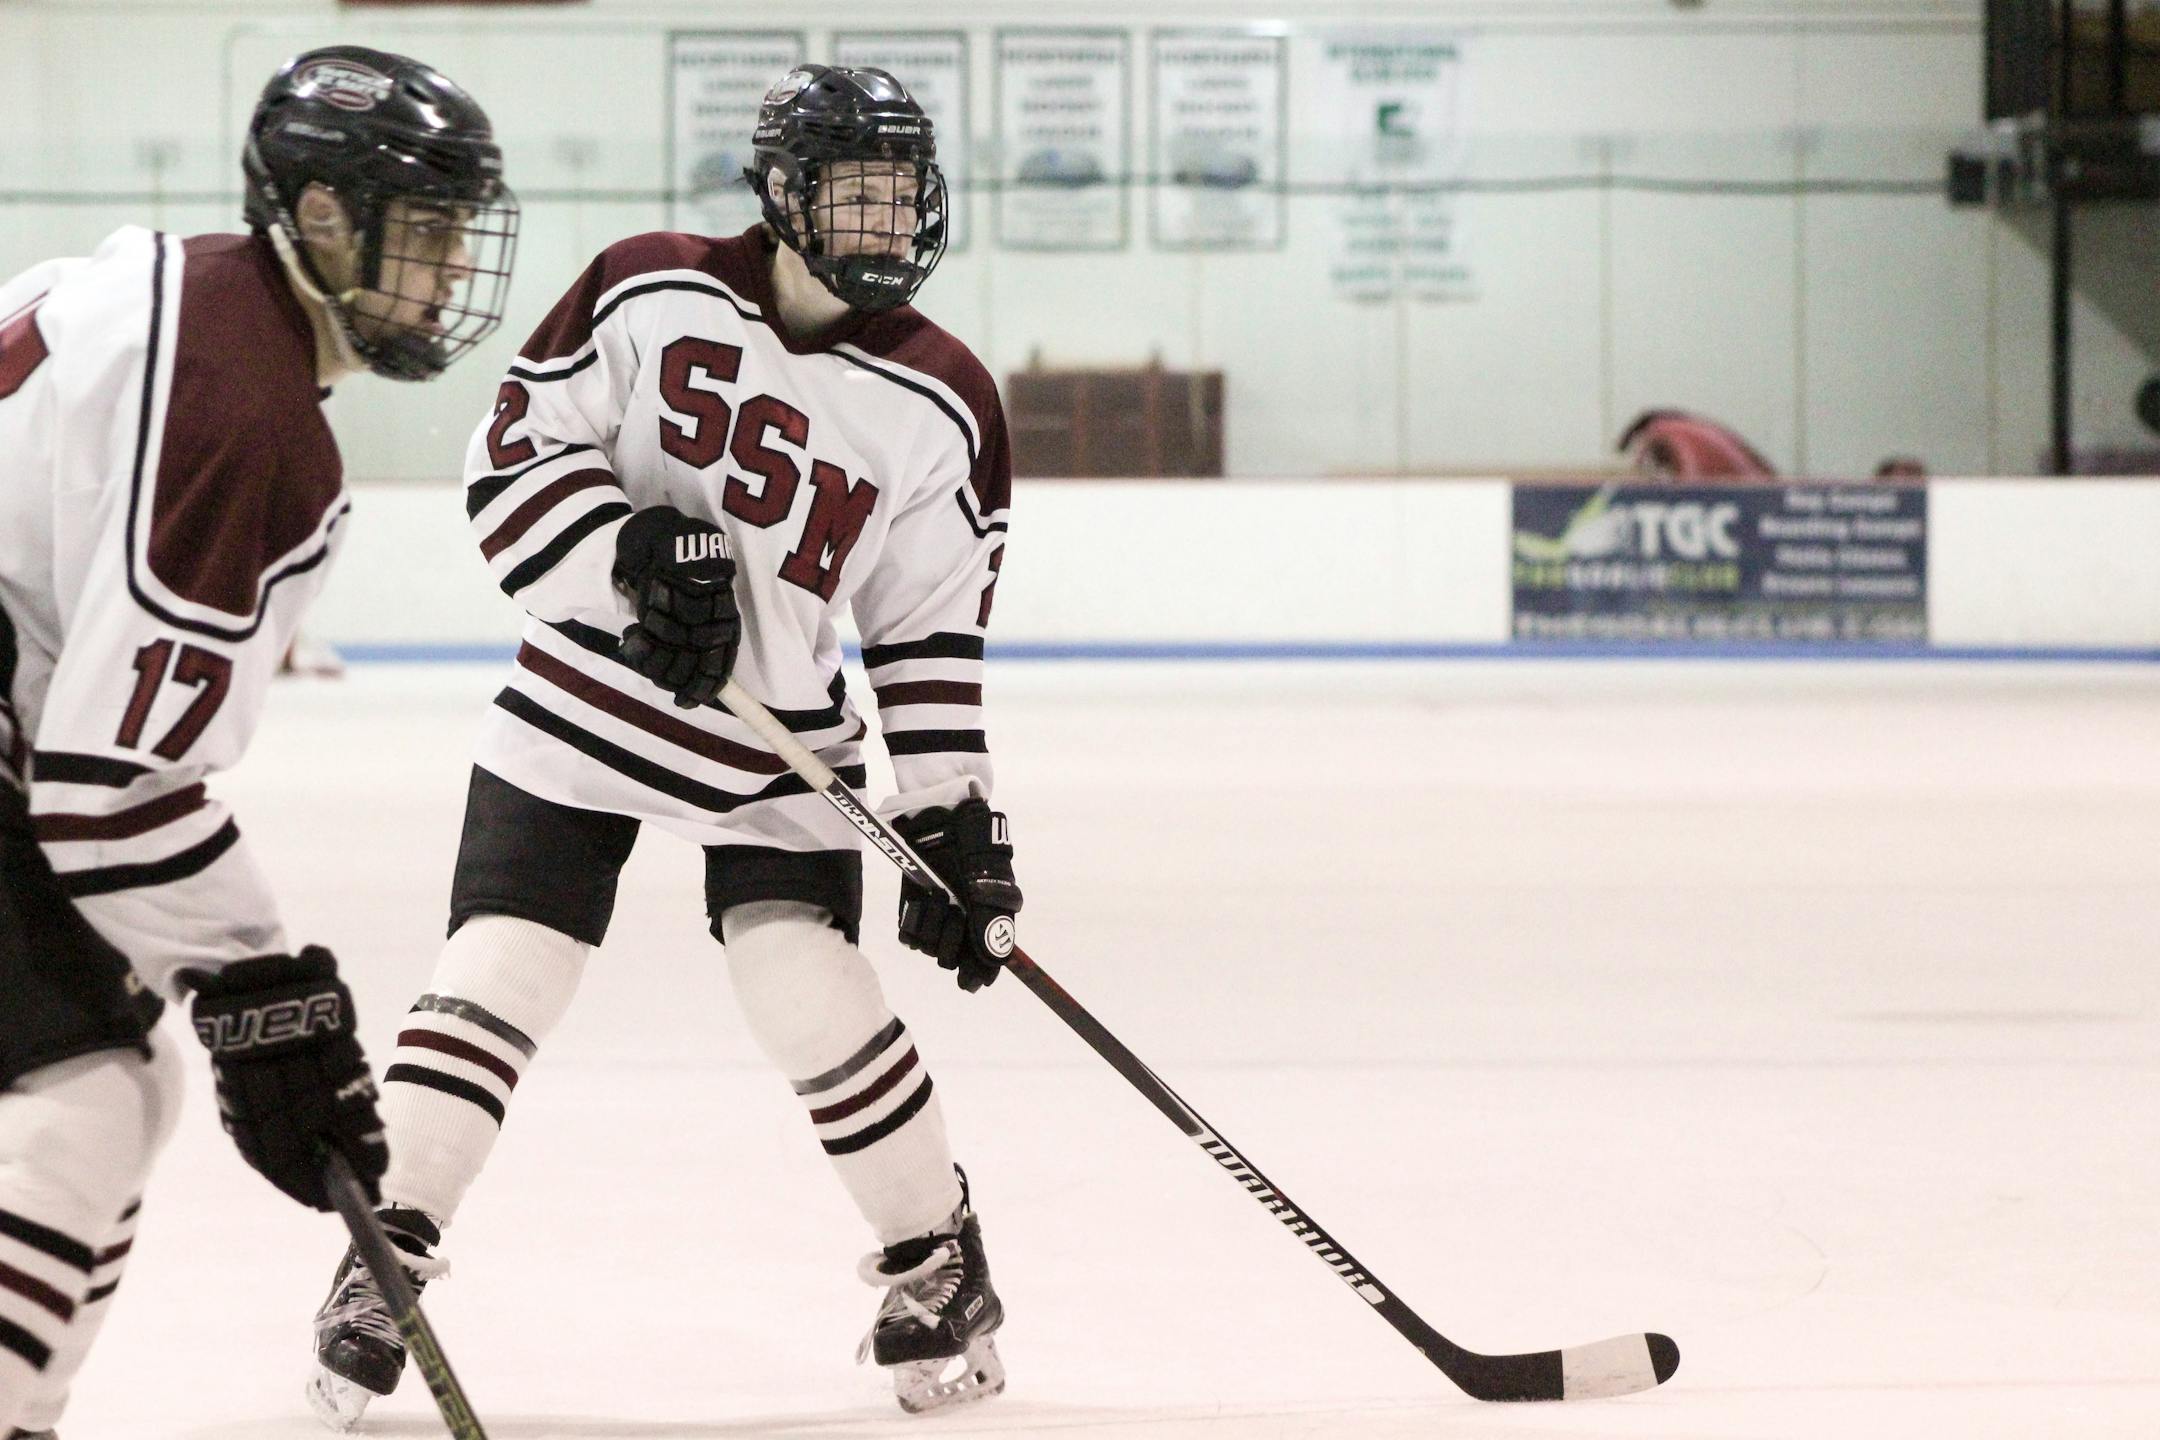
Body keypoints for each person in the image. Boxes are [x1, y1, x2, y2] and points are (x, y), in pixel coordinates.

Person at [307, 63, 1018, 1425]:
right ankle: (384, 1246)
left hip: (778, 751)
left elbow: (928, 631)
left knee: (800, 977)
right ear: (781, 193)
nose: (879, 217)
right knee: (505, 960)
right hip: (585, 700)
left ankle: (939, 1259)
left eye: (898, 190)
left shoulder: (946, 401)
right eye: (849, 188)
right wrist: (627, 553)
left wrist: (953, 819)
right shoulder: (650, 285)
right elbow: (513, 461)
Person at [0, 46, 517, 1440]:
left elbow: (82, 763)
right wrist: (262, 991)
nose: (451, 269)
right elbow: (107, 793)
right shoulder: (244, 406)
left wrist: (252, 999)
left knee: (117, 1086)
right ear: (325, 217)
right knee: (87, 1098)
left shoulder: (196, 297)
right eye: (429, 231)